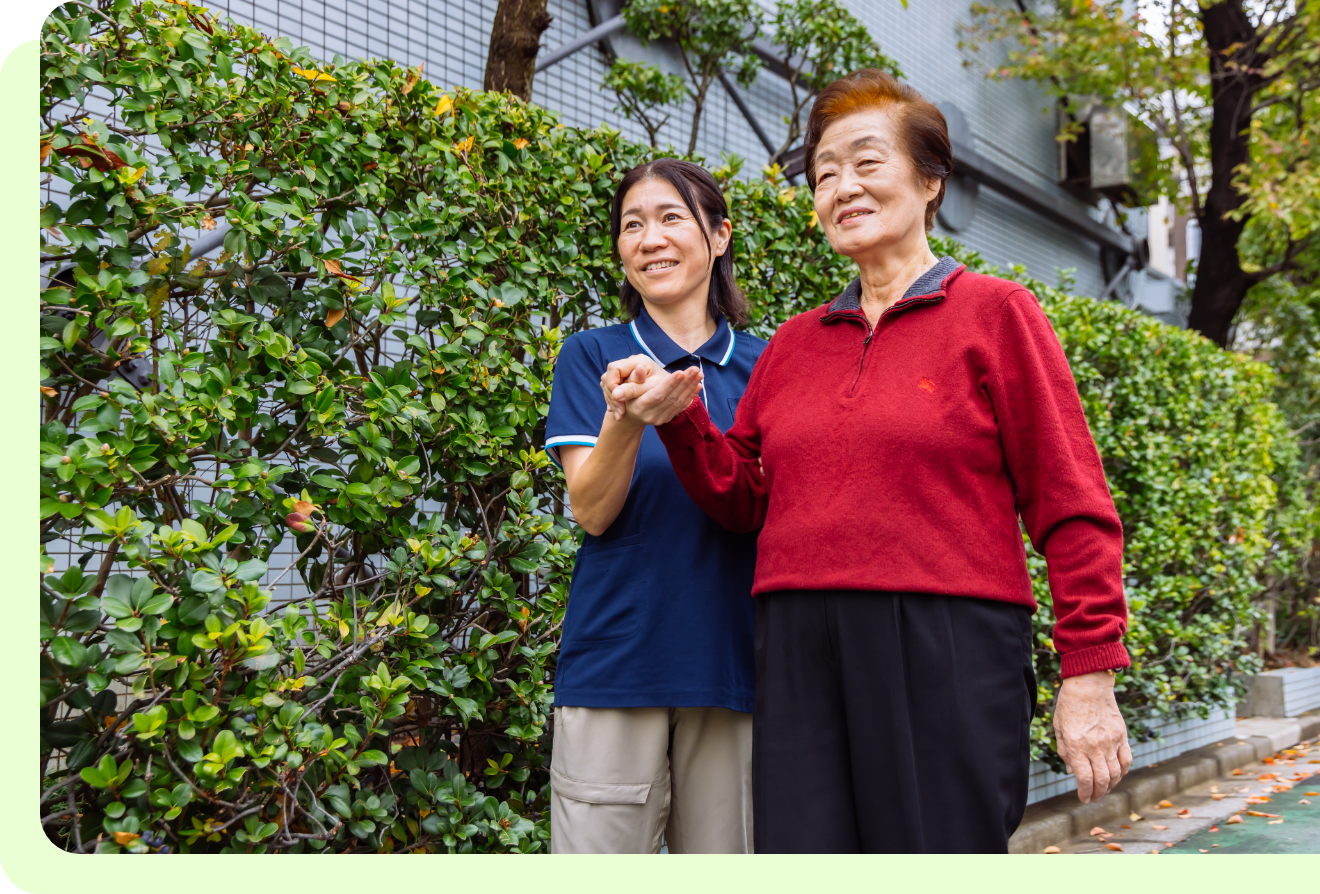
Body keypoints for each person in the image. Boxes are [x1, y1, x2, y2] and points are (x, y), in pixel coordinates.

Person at [599, 70, 1133, 853]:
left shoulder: (997, 315)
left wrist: (1090, 672)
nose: (841, 186)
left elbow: (1071, 501)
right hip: (796, 645)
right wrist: (683, 423)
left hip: (947, 638)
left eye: (866, 162)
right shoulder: (792, 344)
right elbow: (746, 497)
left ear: (930, 180)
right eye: (823, 173)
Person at [543, 158, 768, 854]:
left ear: (720, 235)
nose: (650, 239)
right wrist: (627, 414)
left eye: (672, 217)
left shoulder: (769, 365)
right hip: (617, 667)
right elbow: (593, 511)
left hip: (734, 671)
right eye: (632, 225)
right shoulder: (593, 357)